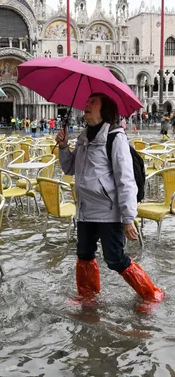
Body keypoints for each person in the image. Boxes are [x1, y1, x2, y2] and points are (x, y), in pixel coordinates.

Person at [56, 93, 164, 309]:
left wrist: (128, 217)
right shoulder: (83, 137)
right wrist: (63, 147)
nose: (86, 105)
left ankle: (151, 294)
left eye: (93, 102)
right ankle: (87, 297)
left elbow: (126, 180)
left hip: (108, 210)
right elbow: (69, 169)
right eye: (87, 102)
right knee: (84, 255)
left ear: (105, 110)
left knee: (114, 259)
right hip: (85, 209)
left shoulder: (116, 138)